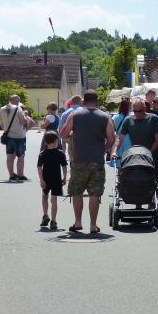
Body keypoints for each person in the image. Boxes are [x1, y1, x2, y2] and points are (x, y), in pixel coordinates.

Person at [59, 90, 114, 233]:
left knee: (76, 191)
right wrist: (103, 149)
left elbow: (63, 134)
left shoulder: (74, 115)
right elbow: (111, 139)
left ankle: (78, 222)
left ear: (83, 101)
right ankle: (93, 225)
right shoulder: (105, 117)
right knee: (94, 193)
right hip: (97, 160)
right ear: (97, 101)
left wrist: (72, 137)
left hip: (79, 159)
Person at [112, 98, 158, 166]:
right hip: (136, 158)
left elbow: (157, 139)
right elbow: (120, 138)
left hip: (152, 158)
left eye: (140, 111)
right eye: (135, 111)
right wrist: (115, 151)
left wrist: (149, 154)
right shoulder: (128, 120)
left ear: (144, 109)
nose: (137, 113)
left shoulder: (153, 118)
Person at [37, 131, 68, 230]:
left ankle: (45, 215)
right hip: (56, 179)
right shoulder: (60, 153)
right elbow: (64, 166)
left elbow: (39, 167)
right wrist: (64, 177)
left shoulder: (42, 153)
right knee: (54, 200)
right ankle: (53, 221)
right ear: (56, 142)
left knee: (44, 197)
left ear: (46, 142)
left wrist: (41, 180)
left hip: (46, 179)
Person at [0, 95, 30, 181]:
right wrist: (25, 115)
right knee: (20, 156)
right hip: (19, 136)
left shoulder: (2, 109)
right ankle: (20, 175)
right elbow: (23, 121)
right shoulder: (18, 108)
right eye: (18, 100)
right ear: (16, 100)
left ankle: (11, 175)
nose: (19, 102)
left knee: (9, 156)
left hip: (8, 136)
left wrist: (6, 130)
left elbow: (1, 123)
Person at [59, 94, 83, 160]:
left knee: (73, 160)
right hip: (84, 139)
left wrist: (66, 139)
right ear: (80, 101)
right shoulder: (84, 111)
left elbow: (60, 128)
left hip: (71, 138)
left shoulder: (65, 113)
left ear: (72, 102)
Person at [109, 99, 132, 167]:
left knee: (118, 161)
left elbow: (112, 131)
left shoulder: (114, 117)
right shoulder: (130, 118)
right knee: (127, 161)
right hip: (128, 140)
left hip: (118, 139)